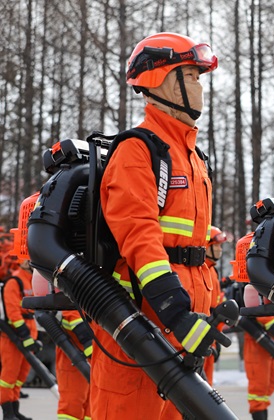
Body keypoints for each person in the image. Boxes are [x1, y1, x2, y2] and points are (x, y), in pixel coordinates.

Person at [91, 32, 219, 420]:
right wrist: (175, 312)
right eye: (191, 76)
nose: (200, 87)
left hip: (187, 329)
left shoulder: (193, 157)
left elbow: (194, 251)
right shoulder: (138, 150)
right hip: (143, 332)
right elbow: (139, 238)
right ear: (163, 80)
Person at [0, 259, 40, 420]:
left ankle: (15, 410)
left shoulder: (32, 280)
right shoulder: (14, 281)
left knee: (20, 376)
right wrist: (25, 335)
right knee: (9, 376)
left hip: (29, 332)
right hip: (13, 338)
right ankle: (7, 412)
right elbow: (13, 312)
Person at [57, 310, 93, 420]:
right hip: (73, 354)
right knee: (72, 403)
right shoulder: (72, 301)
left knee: (92, 404)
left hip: (93, 354)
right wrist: (88, 341)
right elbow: (72, 314)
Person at [203, 226, 227, 386]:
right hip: (204, 333)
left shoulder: (211, 270)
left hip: (210, 335)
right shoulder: (203, 269)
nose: (220, 249)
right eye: (216, 246)